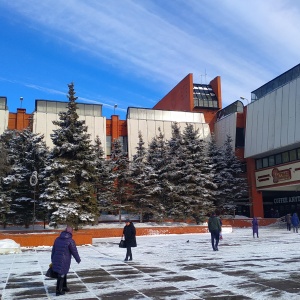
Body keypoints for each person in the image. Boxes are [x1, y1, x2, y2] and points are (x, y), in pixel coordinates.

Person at [51, 226, 81, 296]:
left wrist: (52, 258)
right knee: (61, 274)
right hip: (64, 260)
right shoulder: (70, 241)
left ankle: (64, 287)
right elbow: (74, 251)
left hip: (56, 258)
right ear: (71, 232)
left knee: (63, 273)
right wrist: (78, 259)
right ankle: (58, 290)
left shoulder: (57, 239)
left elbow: (53, 249)